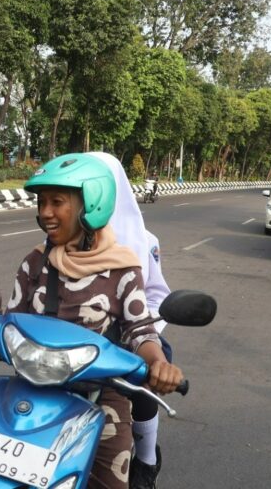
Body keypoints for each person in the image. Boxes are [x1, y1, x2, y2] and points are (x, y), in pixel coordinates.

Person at [0, 153, 183, 489]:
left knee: (112, 481)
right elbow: (12, 322)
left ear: (92, 206)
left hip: (102, 396)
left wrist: (158, 363)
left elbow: (139, 329)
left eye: (57, 202)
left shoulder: (123, 269)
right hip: (32, 390)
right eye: (41, 203)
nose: (45, 213)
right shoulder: (35, 263)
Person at [88, 152, 171, 488]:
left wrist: (138, 332)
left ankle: (147, 460)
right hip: (75, 341)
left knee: (146, 377)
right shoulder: (61, 242)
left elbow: (158, 294)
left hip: (131, 336)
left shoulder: (144, 241)